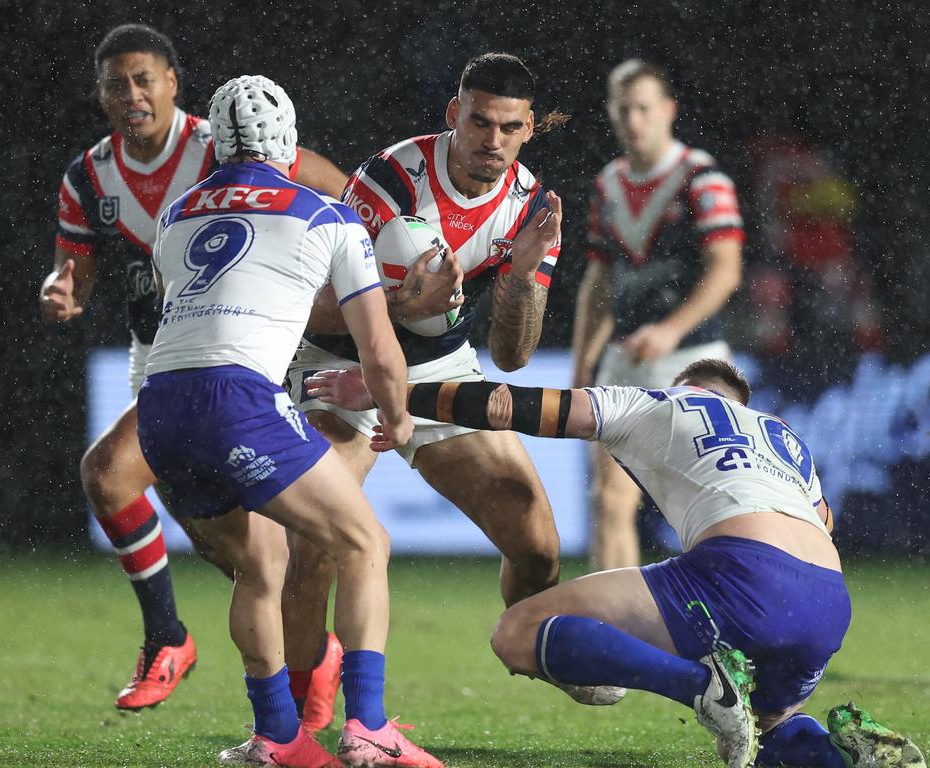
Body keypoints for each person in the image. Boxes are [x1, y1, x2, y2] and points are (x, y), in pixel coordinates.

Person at [307, 359, 926, 768]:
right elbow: (825, 525)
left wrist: (397, 396)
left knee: (518, 630)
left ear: (686, 385)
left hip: (741, 573)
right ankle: (840, 754)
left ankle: (700, 687)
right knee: (768, 728)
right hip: (829, 599)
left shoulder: (655, 402)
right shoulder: (785, 437)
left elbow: (509, 406)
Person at [39, 23, 346, 721]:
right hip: (163, 353)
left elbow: (341, 191)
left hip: (243, 348)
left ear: (174, 82)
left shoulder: (223, 143)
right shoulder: (90, 176)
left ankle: (170, 640)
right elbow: (75, 275)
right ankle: (310, 658)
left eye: (145, 78)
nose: (132, 94)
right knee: (234, 551)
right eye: (117, 84)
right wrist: (60, 292)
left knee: (109, 472)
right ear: (101, 95)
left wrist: (372, 271)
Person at [137, 74, 442, 768]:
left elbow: (183, 311)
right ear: (291, 141)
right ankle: (369, 730)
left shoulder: (176, 214)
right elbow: (380, 349)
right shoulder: (328, 215)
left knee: (258, 564)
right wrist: (395, 417)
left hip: (158, 408)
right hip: (237, 400)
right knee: (364, 542)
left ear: (215, 143)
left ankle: (275, 737)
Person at [290, 55, 566, 614]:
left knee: (537, 550)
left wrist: (518, 277)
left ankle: (532, 647)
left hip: (436, 366)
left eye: (510, 127)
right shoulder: (388, 180)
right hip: (343, 361)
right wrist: (401, 302)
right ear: (453, 114)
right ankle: (301, 701)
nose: (494, 140)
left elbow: (513, 358)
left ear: (529, 128)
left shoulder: (531, 210)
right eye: (480, 122)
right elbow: (312, 313)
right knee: (317, 544)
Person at [572, 59, 744, 571]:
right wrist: (584, 363)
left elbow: (726, 271)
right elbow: (599, 282)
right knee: (608, 501)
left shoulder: (701, 177)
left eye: (644, 108)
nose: (633, 120)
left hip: (697, 362)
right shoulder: (607, 184)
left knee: (714, 509)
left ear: (668, 110)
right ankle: (617, 630)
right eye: (623, 109)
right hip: (625, 363)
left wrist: (670, 330)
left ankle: (720, 625)